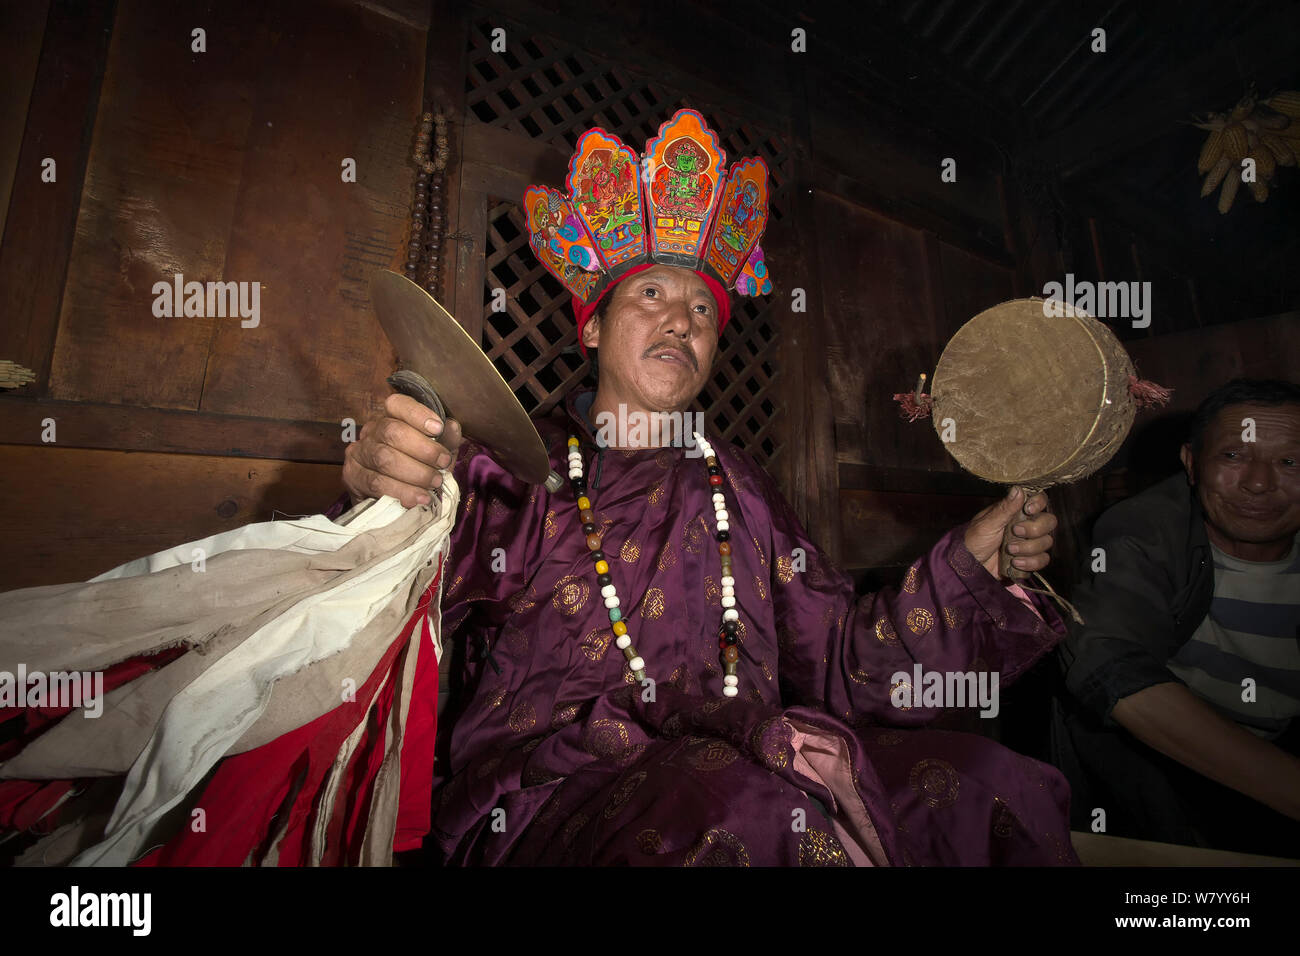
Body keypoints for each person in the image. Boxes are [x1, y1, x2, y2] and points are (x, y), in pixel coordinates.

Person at [339, 108, 1078, 866]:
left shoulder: (741, 485)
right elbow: (384, 603)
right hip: (559, 785)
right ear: (591, 328)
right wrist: (385, 496)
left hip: (752, 754)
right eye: (650, 295)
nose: (680, 323)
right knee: (734, 810)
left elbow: (837, 660)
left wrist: (972, 568)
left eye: (702, 311)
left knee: (988, 781)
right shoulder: (510, 467)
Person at [1053, 378, 1300, 857]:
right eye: (1233, 456)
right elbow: (1106, 662)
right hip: (1162, 764)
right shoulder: (1145, 529)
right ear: (1191, 464)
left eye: (1290, 461)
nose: (1258, 482)